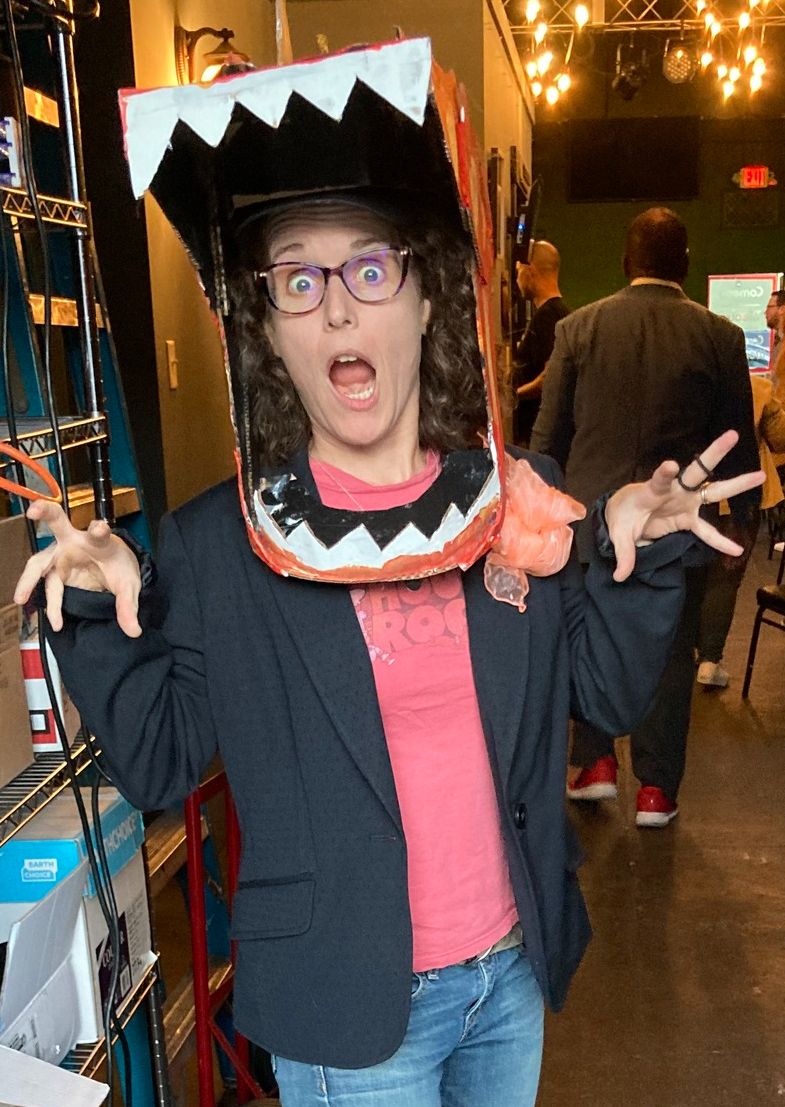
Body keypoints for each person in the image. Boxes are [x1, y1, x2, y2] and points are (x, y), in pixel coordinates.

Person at [13, 48, 763, 1107]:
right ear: (267, 328)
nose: (336, 310)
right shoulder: (220, 544)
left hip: (506, 976)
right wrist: (92, 607)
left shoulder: (515, 499)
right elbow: (160, 761)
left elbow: (601, 694)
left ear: (424, 301)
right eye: (296, 281)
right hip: (347, 1006)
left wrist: (637, 562)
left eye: (369, 270)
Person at [531, 206, 760, 828]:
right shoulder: (720, 336)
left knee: (587, 635)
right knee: (671, 652)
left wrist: (539, 520)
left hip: (587, 524)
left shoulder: (577, 329)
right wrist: (742, 518)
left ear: (624, 262)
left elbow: (548, 440)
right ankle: (656, 789)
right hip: (674, 528)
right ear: (685, 263)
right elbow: (736, 440)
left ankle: (596, 764)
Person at [696, 374, 785, 686]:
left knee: (691, 573)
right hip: (740, 501)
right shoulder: (757, 388)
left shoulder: (687, 381)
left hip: (690, 497)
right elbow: (780, 439)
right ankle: (709, 661)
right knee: (725, 578)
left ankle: (685, 648)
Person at [512, 241, 569, 447]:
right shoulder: (561, 314)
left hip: (537, 436)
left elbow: (549, 377)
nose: (517, 279)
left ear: (530, 271)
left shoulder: (547, 317)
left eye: (518, 271)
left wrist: (513, 397)